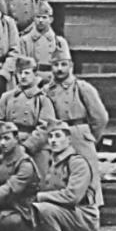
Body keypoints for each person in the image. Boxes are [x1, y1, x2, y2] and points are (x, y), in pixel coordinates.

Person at [23, 121, 100, 231]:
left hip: (83, 214)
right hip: (64, 213)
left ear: (69, 140)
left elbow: (73, 196)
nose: (53, 140)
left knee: (43, 209)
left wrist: (41, 198)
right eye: (50, 136)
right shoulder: (55, 162)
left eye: (58, 136)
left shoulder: (77, 162)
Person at [44, 43, 109, 211]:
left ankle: (91, 223)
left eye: (63, 64)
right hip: (58, 137)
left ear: (71, 66)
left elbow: (100, 117)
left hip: (80, 135)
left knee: (89, 180)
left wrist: (90, 136)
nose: (59, 69)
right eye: (56, 65)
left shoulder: (82, 88)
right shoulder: (47, 91)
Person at [0, 57, 56, 177]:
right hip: (11, 145)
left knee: (38, 181)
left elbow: (45, 126)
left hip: (36, 148)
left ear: (35, 74)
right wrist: (6, 142)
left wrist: (27, 146)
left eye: (27, 73)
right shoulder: (7, 97)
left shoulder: (42, 99)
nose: (22, 76)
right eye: (19, 73)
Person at [19, 2, 68, 85]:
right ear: (34, 19)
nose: (40, 20)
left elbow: (66, 67)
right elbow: (22, 68)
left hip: (54, 80)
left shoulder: (60, 42)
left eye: (44, 17)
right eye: (38, 17)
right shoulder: (24, 41)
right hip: (32, 81)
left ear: (51, 19)